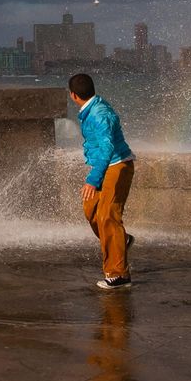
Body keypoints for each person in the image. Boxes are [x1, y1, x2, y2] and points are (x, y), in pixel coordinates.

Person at [68, 73, 135, 289]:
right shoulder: (91, 108)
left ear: (73, 95)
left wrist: (92, 179)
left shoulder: (99, 114)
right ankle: (121, 241)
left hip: (117, 166)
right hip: (105, 166)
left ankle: (119, 275)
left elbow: (107, 147)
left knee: (108, 216)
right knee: (91, 210)